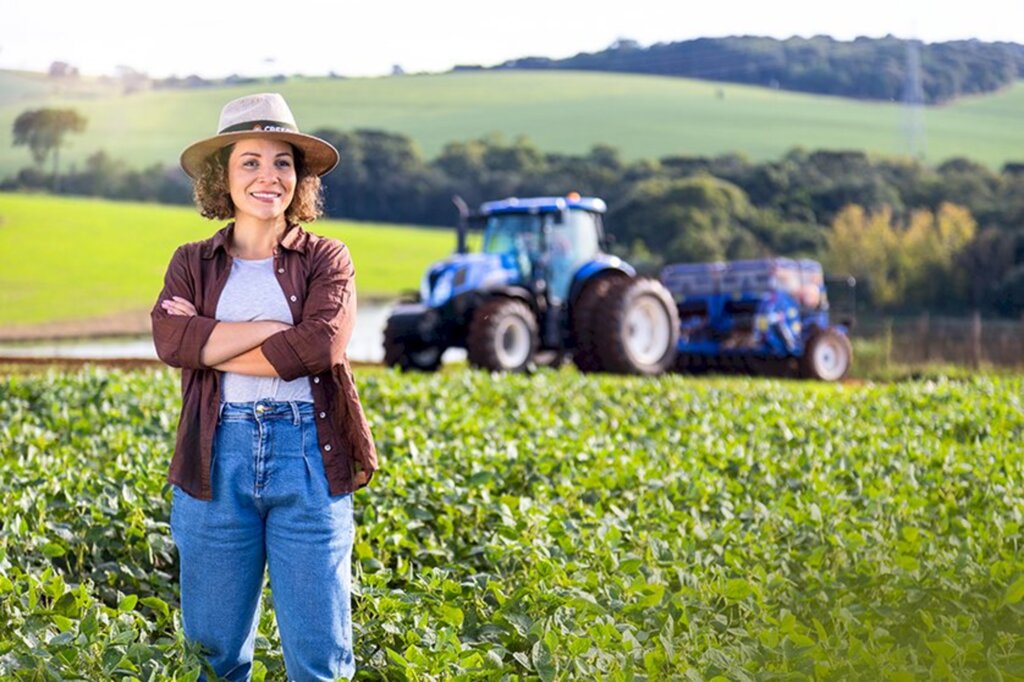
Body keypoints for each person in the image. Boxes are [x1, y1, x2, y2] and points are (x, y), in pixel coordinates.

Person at [151, 92, 377, 682]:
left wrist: (214, 347)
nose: (267, 175)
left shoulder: (328, 256)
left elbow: (320, 348)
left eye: (282, 161)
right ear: (222, 176)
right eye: (249, 160)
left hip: (309, 458)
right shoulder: (191, 261)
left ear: (298, 178)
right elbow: (171, 341)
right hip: (214, 457)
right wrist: (272, 333)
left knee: (320, 661)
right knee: (215, 658)